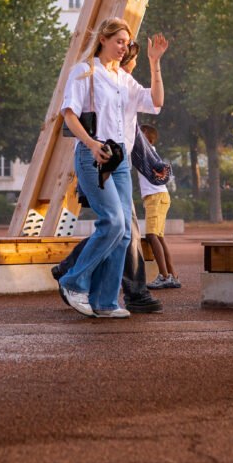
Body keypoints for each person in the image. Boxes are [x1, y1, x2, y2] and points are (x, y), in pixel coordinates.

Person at [58, 18, 168, 318]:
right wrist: (92, 144)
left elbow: (156, 101)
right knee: (115, 223)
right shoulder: (84, 72)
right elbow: (68, 115)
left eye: (127, 43)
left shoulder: (123, 79)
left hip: (120, 163)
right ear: (103, 40)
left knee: (124, 234)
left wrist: (154, 62)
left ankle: (105, 301)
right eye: (119, 41)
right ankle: (72, 282)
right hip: (93, 156)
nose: (124, 47)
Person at [139, 124, 180, 289]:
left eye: (140, 134)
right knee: (159, 237)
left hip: (155, 197)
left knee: (151, 236)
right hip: (159, 196)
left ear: (147, 137)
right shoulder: (148, 153)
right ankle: (173, 275)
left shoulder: (147, 152)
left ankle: (164, 276)